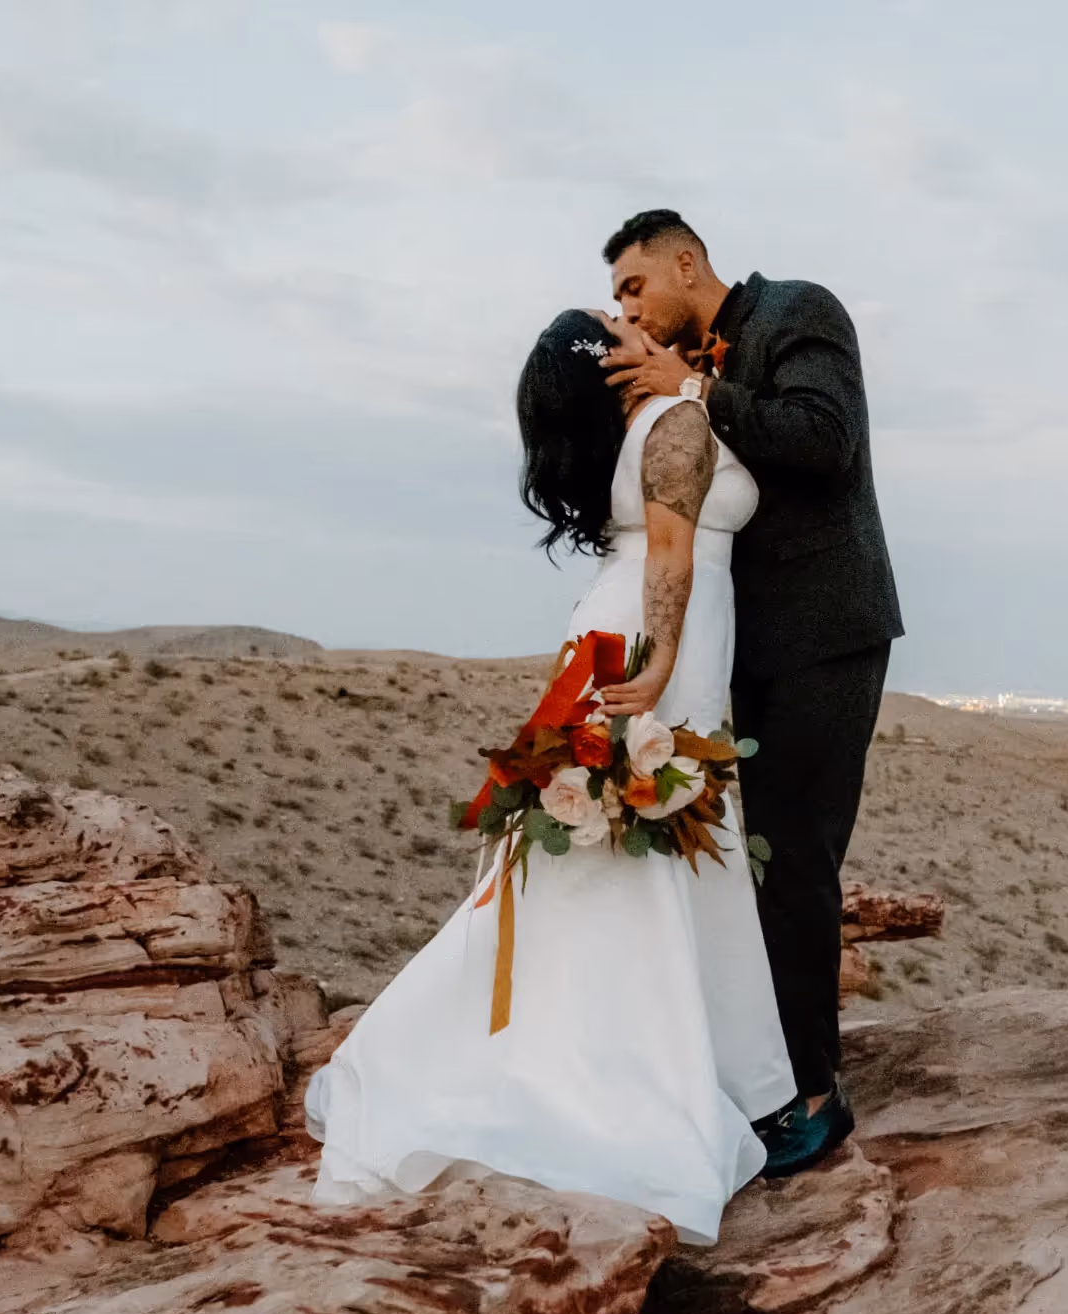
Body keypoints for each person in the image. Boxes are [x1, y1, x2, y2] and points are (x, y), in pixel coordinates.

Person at [303, 308, 796, 1244]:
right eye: (617, 318)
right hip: (652, 640)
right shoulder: (673, 423)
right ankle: (625, 1069)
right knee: (639, 840)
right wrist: (656, 667)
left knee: (646, 840)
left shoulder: (656, 414)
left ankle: (680, 1061)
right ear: (610, 369)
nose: (631, 317)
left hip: (631, 628)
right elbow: (675, 551)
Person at [597, 210, 902, 1176]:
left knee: (796, 858)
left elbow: (822, 442)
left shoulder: (799, 312)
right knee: (746, 858)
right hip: (741, 653)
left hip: (824, 635)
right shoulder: (692, 373)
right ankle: (758, 1074)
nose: (628, 309)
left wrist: (693, 388)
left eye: (636, 287)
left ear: (688, 263)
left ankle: (815, 1096)